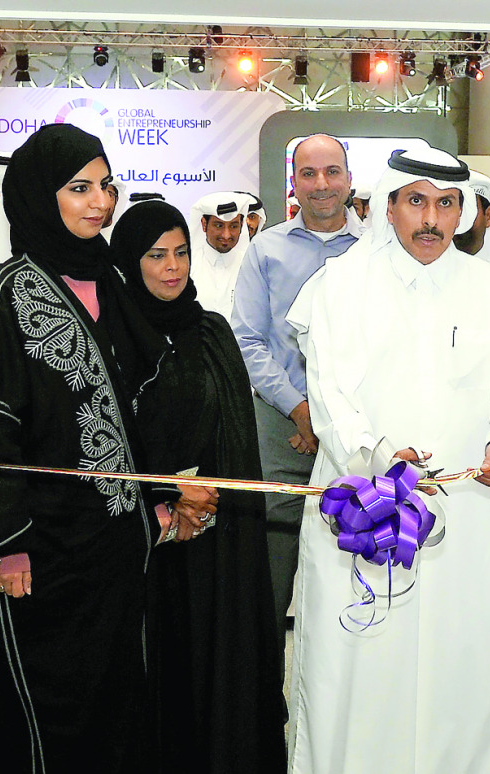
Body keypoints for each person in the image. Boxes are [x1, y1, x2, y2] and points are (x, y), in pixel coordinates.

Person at [0, 123, 215, 773]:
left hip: (109, 555)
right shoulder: (2, 292)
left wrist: (160, 502)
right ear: (40, 194)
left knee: (112, 711)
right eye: (80, 188)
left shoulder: (110, 281)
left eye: (106, 186)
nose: (100, 202)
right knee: (40, 719)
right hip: (38, 554)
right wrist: (2, 543)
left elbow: (129, 412)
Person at [285, 147, 490, 774]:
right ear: (390, 207)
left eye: (446, 204)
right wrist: (376, 457)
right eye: (417, 202)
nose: (431, 219)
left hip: (463, 516)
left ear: (464, 212)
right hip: (362, 507)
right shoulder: (343, 284)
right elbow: (330, 392)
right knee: (362, 671)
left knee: (459, 668)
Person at [111, 200, 288, 773]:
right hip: (146, 547)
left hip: (217, 545)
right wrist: (168, 496)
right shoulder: (111, 338)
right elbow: (107, 440)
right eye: (156, 255)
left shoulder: (211, 331)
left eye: (181, 253)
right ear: (129, 261)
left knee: (217, 665)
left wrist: (209, 500)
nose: (173, 267)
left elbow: (236, 437)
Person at [230, 134, 363, 658]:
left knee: (354, 569)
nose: (321, 184)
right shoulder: (266, 250)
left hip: (357, 434)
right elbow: (246, 340)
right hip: (280, 431)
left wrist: (332, 417)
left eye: (332, 172)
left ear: (349, 179)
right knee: (269, 577)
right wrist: (300, 408)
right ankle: (263, 696)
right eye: (309, 173)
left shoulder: (377, 250)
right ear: (293, 182)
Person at [190, 191, 252, 318]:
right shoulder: (188, 266)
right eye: (219, 225)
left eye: (233, 226)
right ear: (204, 224)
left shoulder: (251, 267)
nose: (226, 235)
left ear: (241, 226)